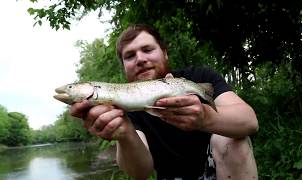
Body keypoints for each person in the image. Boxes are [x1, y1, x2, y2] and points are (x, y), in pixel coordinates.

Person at [70, 24, 259, 180]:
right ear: (124, 67)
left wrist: (206, 118)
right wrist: (125, 135)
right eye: (130, 56)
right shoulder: (126, 105)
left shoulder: (198, 77)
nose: (140, 59)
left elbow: (249, 121)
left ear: (165, 53)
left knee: (231, 137)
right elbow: (140, 173)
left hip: (218, 172)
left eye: (147, 49)